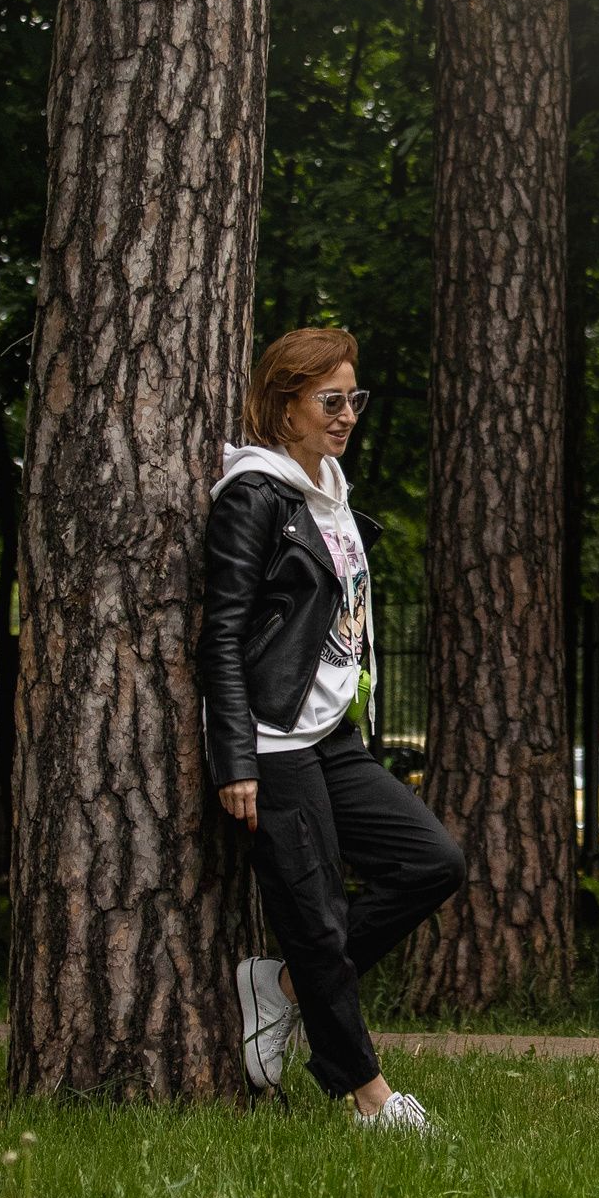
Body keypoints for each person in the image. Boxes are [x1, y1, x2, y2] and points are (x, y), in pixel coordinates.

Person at [197, 327, 464, 1131]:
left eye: (355, 398)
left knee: (432, 861)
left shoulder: (331, 491)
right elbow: (223, 633)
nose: (347, 414)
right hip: (274, 743)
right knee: (313, 918)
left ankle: (279, 988)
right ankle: (369, 1098)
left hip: (334, 737)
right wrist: (234, 755)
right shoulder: (255, 495)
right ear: (286, 408)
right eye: (331, 399)